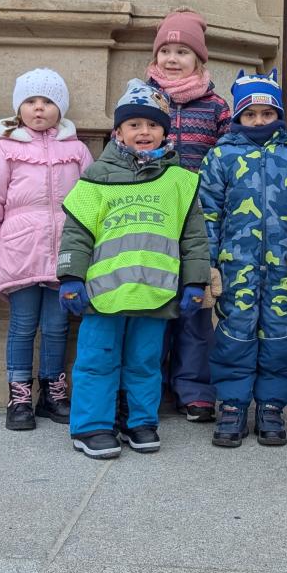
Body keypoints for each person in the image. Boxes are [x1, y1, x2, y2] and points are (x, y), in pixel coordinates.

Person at [57, 80, 209, 460]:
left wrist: (195, 282)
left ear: (165, 132)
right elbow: (77, 234)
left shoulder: (180, 181)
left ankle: (139, 421)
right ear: (119, 132)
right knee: (97, 361)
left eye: (153, 124)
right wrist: (71, 277)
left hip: (154, 293)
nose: (144, 131)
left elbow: (194, 237)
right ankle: (92, 426)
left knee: (144, 363)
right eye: (134, 124)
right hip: (103, 295)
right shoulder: (96, 177)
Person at [200, 69, 287, 448]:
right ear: (239, 116)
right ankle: (233, 405)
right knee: (233, 334)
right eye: (250, 114)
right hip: (235, 267)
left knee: (280, 336)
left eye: (267, 113)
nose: (259, 120)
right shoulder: (221, 156)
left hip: (283, 269)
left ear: (278, 115)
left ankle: (272, 405)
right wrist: (207, 266)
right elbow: (207, 213)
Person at [0, 68, 92, 431]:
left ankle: (52, 391)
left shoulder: (77, 151)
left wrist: (91, 254)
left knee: (57, 326)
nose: (39, 108)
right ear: (18, 108)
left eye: (48, 101)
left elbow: (92, 202)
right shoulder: (5, 149)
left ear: (61, 108)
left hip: (64, 254)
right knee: (22, 326)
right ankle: (19, 395)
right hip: (19, 252)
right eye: (31, 101)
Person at [145, 9, 231, 423]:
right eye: (165, 50)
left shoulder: (216, 107)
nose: (172, 58)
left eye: (182, 52)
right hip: (152, 217)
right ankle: (150, 386)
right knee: (153, 300)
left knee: (195, 303)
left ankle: (195, 388)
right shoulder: (142, 99)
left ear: (199, 59)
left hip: (199, 220)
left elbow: (229, 160)